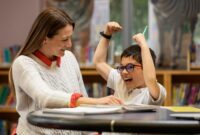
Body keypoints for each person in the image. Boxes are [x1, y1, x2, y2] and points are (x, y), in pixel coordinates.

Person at [9, 8, 122, 135]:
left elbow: (83, 106)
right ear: (44, 38)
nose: (69, 44)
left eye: (70, 38)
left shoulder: (69, 58)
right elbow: (45, 97)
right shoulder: (23, 63)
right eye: (64, 39)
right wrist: (97, 101)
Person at [93, 22, 166, 106]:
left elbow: (150, 80)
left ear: (144, 68)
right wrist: (107, 34)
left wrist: (143, 45)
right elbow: (99, 62)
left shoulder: (154, 91)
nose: (124, 72)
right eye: (122, 67)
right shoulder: (120, 80)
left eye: (130, 67)